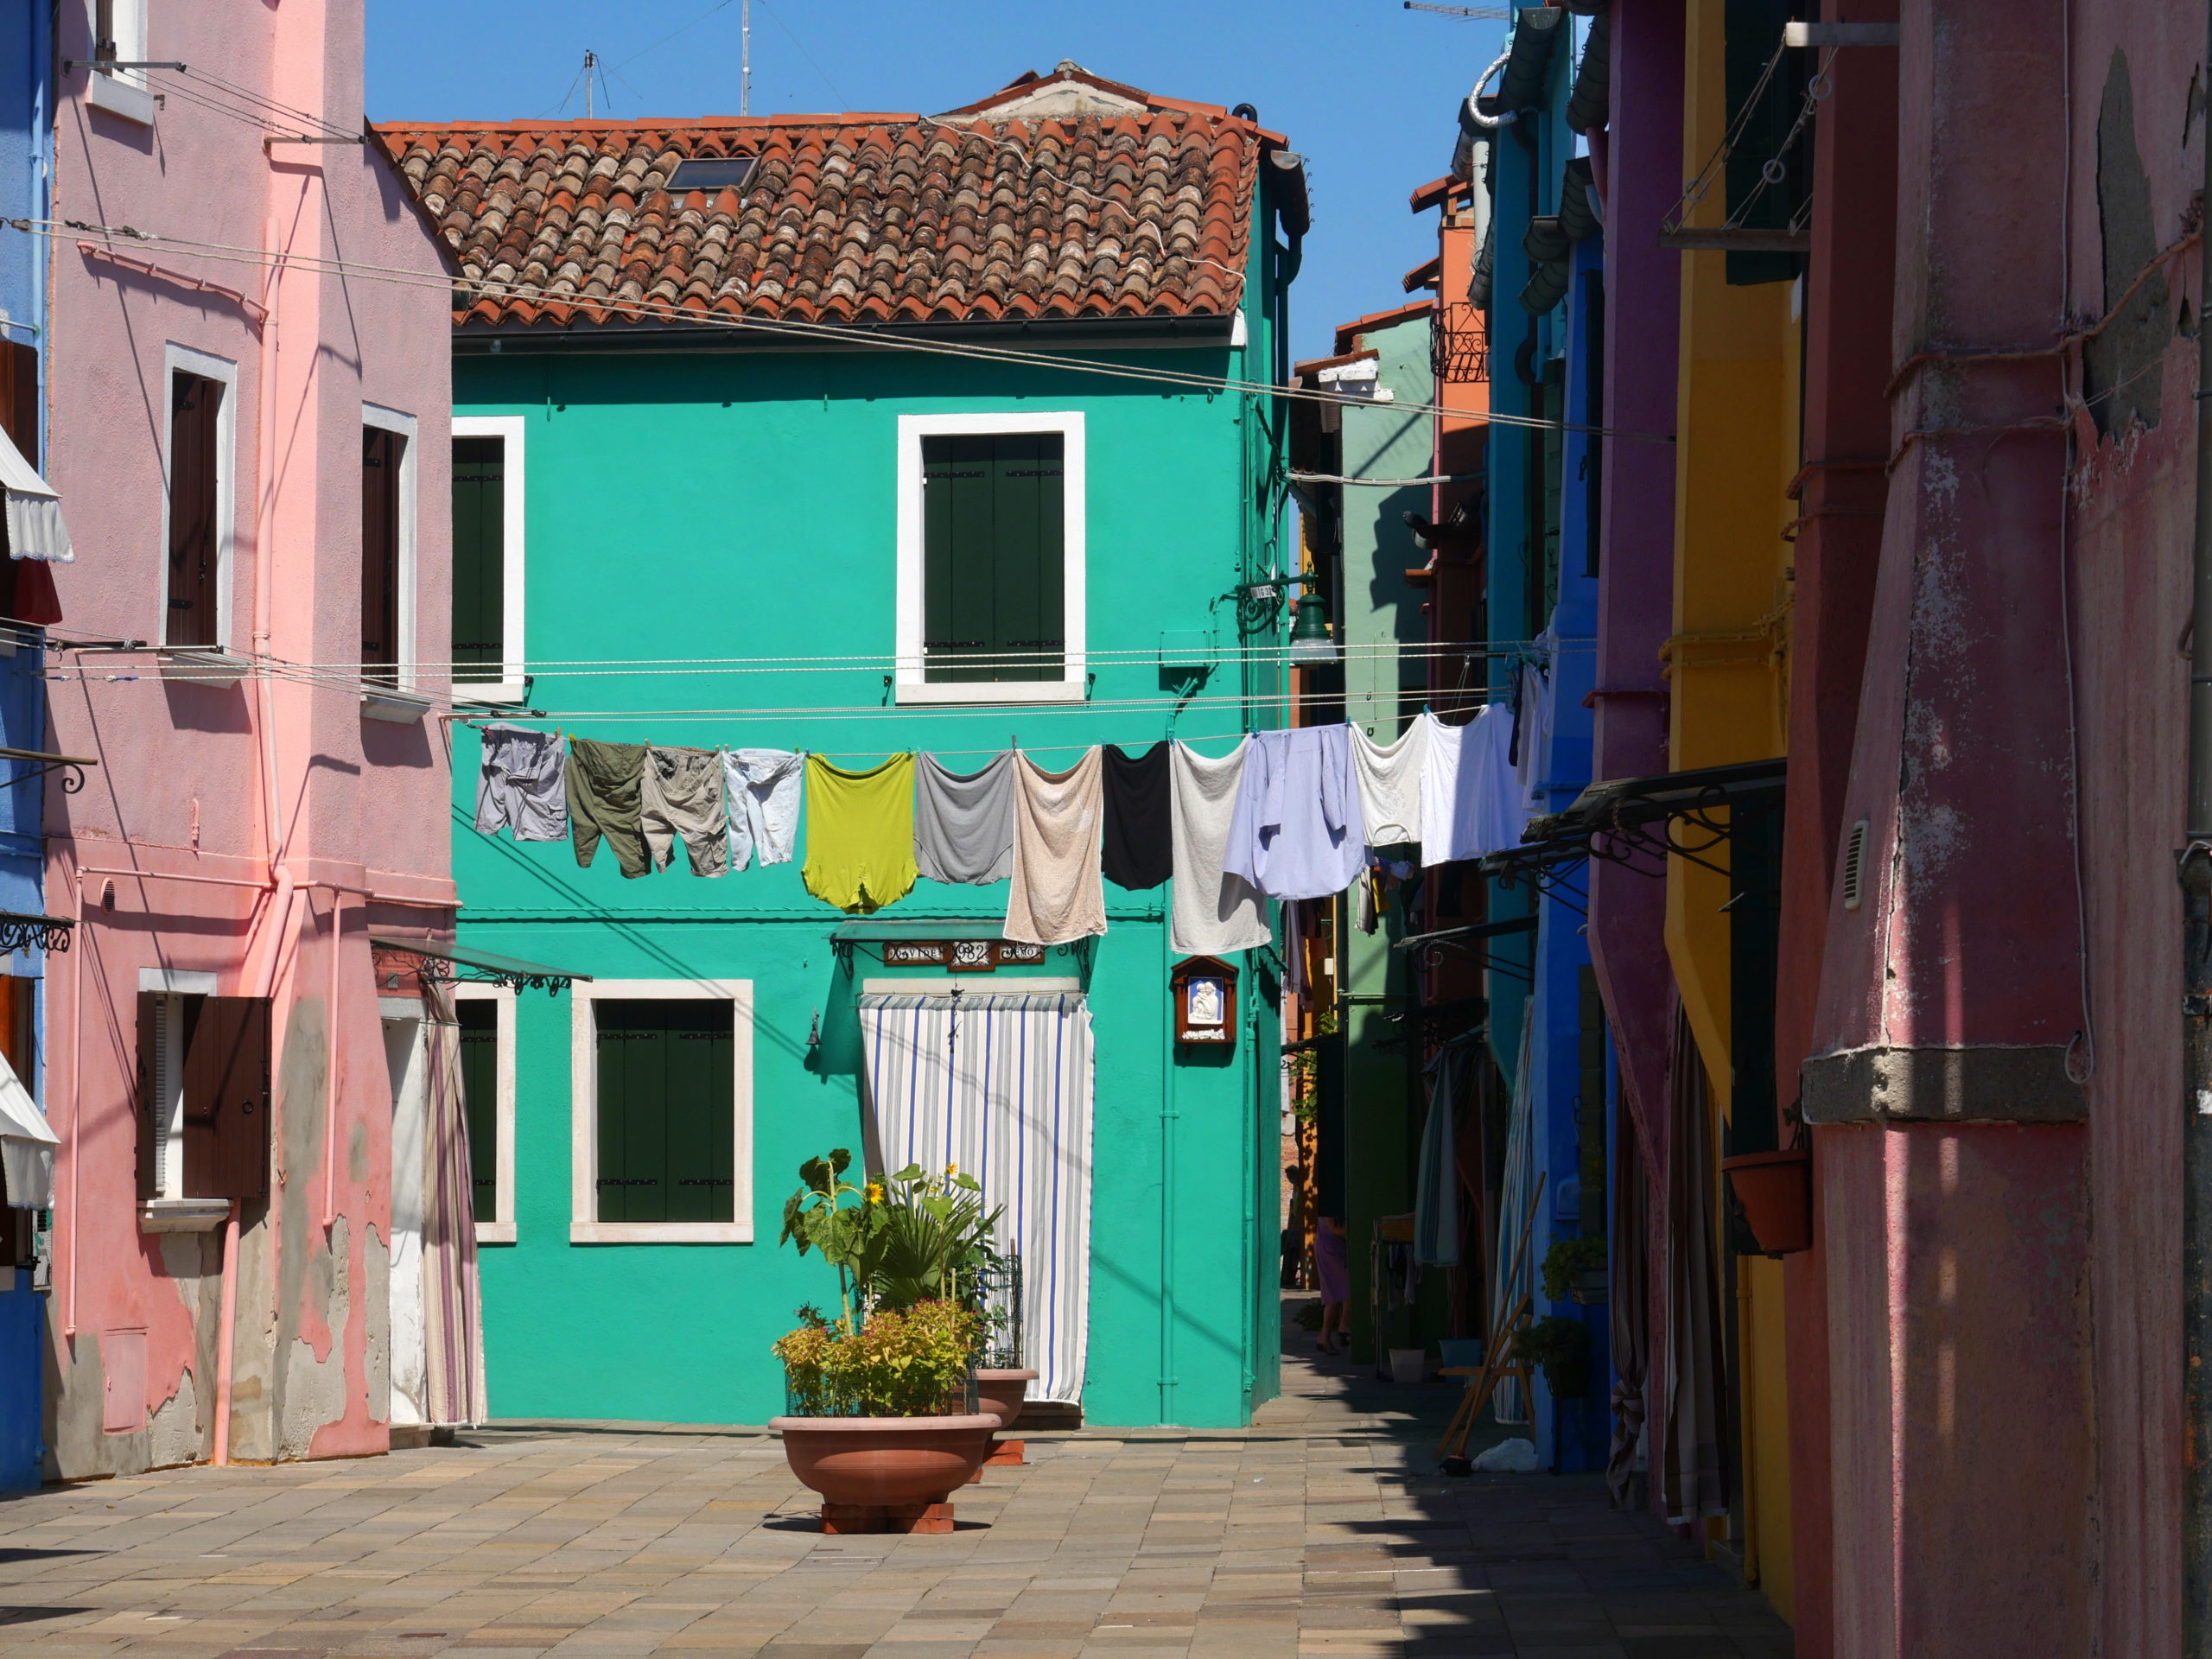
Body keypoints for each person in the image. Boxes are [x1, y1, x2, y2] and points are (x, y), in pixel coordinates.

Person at [1314, 1214, 1350, 1355]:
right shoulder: (1329, 1199)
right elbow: (1332, 1227)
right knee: (1338, 1293)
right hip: (1330, 1250)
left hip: (1335, 1248)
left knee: (1339, 1293)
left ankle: (1332, 1334)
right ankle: (1341, 1329)